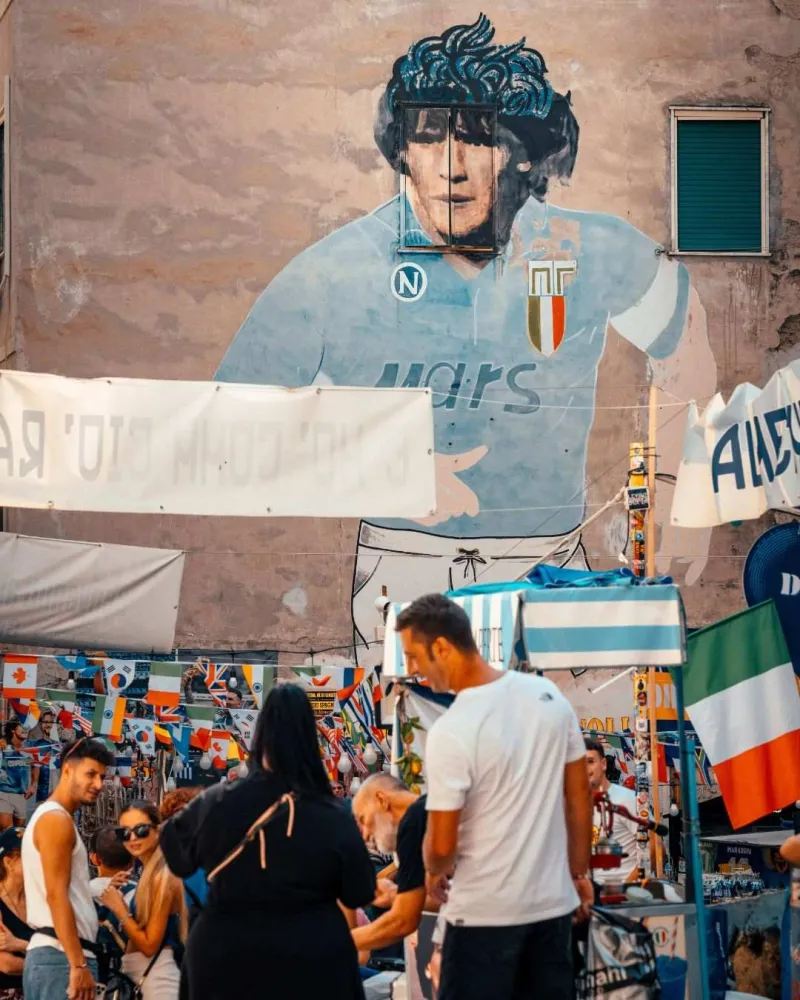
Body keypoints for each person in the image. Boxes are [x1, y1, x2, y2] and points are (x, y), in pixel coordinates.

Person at [215, 15, 716, 662]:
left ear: (520, 153)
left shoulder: (587, 248)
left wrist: (677, 490)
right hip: (404, 567)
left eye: (477, 138)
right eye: (427, 137)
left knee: (560, 728)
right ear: (402, 151)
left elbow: (685, 337)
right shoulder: (336, 270)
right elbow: (230, 421)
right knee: (419, 730)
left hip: (548, 563)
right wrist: (379, 467)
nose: (450, 167)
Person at [395, 594, 593, 1000]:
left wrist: (432, 868)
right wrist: (578, 874)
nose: (412, 670)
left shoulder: (452, 729)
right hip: (551, 915)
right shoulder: (548, 697)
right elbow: (578, 798)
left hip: (480, 922)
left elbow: (442, 848)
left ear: (442, 647)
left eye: (413, 656)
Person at [160, 683, 376, 1000]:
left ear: (260, 736)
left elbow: (176, 853)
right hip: (313, 958)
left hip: (225, 957)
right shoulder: (334, 813)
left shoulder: (218, 801)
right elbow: (360, 890)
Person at [22, 737, 114, 1000]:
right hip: (61, 957)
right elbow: (56, 894)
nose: (98, 784)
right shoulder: (56, 820)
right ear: (67, 770)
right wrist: (78, 964)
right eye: (90, 774)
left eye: (102, 777)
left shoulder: (54, 818)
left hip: (58, 957)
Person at [99, 801, 185, 1000]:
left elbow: (149, 945)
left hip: (157, 981)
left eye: (141, 830)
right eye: (124, 833)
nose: (133, 838)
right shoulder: (149, 875)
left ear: (158, 830)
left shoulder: (162, 876)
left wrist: (120, 909)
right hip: (141, 977)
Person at [352, 774, 430, 956]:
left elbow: (402, 921)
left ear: (382, 800)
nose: (365, 835)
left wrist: (334, 943)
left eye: (363, 819)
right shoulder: (428, 811)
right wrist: (395, 895)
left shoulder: (413, 821)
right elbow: (446, 896)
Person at [584, 738, 641, 884]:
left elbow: (654, 849)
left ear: (603, 764)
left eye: (590, 761)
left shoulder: (626, 799)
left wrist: (626, 888)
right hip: (591, 891)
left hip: (621, 891)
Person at [88, 827, 136, 987]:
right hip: (128, 980)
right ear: (132, 860)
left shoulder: (82, 893)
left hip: (91, 978)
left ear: (94, 858)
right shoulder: (141, 894)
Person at [0, 828, 32, 1000]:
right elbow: (7, 964)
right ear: (8, 862)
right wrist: (48, 964)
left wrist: (20, 945)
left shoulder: (40, 899)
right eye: (29, 855)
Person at [0, 723, 39, 830]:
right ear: (13, 730)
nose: (25, 729)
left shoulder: (29, 748)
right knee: (7, 830)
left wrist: (33, 785)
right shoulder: (3, 745)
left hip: (21, 795)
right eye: (22, 726)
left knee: (18, 833)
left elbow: (36, 765)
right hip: (3, 793)